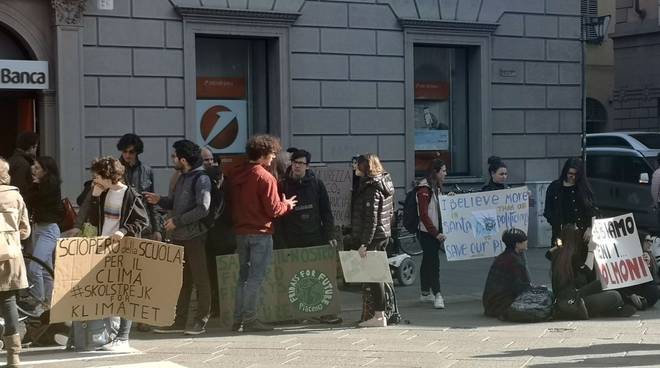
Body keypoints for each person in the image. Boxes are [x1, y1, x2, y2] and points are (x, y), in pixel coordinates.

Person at [227, 134, 297, 332]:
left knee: (243, 278)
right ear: (263, 154)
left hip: (241, 232)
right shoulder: (265, 177)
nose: (274, 157)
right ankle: (250, 319)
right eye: (272, 153)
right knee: (255, 278)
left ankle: (237, 319)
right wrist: (287, 204)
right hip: (260, 232)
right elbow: (274, 210)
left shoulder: (235, 174)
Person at [147, 140, 213, 335]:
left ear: (183, 159)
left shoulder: (201, 179)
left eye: (174, 156)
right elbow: (176, 203)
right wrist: (160, 200)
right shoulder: (183, 176)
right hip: (180, 237)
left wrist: (177, 221)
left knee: (201, 280)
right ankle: (179, 320)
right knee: (182, 281)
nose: (173, 159)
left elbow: (203, 208)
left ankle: (201, 320)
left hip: (195, 237)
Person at [87, 156, 150, 351]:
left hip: (123, 249)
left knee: (124, 292)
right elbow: (93, 220)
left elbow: (142, 221)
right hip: (104, 247)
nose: (94, 179)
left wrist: (123, 230)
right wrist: (95, 198)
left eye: (97, 176)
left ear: (108, 176)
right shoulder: (102, 193)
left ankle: (123, 337)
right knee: (108, 291)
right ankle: (111, 335)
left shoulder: (130, 195)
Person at [277, 149, 340, 324]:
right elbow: (279, 217)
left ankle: (325, 312)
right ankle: (299, 313)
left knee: (318, 276)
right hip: (292, 240)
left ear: (307, 166)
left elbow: (326, 212)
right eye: (295, 162)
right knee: (296, 279)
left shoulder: (317, 184)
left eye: (301, 163)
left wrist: (330, 234)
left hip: (315, 237)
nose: (297, 166)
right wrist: (281, 241)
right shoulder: (283, 185)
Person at [350, 153, 394, 327]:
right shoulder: (384, 182)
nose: (355, 168)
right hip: (383, 234)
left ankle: (379, 315)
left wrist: (365, 243)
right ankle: (381, 314)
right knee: (378, 275)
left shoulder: (372, 188)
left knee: (375, 276)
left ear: (366, 167)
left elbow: (371, 218)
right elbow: (389, 212)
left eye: (357, 165)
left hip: (374, 237)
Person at [551, 224, 633, 319]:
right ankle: (612, 308)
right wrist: (591, 250)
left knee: (603, 284)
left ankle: (614, 307)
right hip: (575, 301)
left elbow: (548, 253)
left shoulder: (557, 254)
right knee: (616, 296)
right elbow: (588, 270)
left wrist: (560, 245)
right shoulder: (574, 257)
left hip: (567, 298)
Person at [0, 157, 31, 366]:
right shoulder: (15, 196)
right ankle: (14, 356)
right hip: (9, 256)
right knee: (9, 302)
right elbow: (25, 230)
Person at [25, 156, 63, 310]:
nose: (34, 169)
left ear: (46, 170)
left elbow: (33, 200)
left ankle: (39, 301)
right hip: (40, 228)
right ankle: (49, 302)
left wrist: (35, 185)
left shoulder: (50, 185)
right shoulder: (43, 184)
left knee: (35, 267)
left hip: (48, 230)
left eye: (38, 167)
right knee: (46, 271)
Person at [543, 158, 597, 253]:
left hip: (580, 232)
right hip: (560, 233)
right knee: (559, 256)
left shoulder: (583, 188)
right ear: (565, 172)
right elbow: (548, 210)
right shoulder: (555, 187)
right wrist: (555, 222)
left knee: (578, 259)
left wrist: (589, 228)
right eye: (570, 174)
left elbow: (592, 210)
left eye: (575, 174)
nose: (572, 177)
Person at [117, 134, 163, 241]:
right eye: (124, 151)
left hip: (144, 226)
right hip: (122, 226)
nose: (127, 155)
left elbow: (152, 201)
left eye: (131, 152)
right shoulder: (115, 169)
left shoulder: (147, 171)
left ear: (137, 152)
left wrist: (157, 229)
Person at [416, 159, 448, 309]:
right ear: (435, 172)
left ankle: (424, 292)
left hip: (432, 232)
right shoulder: (425, 189)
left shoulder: (436, 188)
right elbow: (423, 215)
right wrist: (436, 233)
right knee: (433, 262)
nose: (445, 173)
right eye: (443, 170)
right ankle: (438, 294)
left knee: (428, 261)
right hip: (427, 233)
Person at [482, 228, 531, 319]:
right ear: (517, 244)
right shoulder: (514, 261)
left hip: (491, 303)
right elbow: (522, 287)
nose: (526, 242)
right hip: (501, 305)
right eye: (524, 240)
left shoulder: (504, 256)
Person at [619, 230, 659, 310]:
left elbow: (653, 280)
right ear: (639, 241)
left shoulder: (649, 256)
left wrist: (648, 265)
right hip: (628, 289)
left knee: (654, 290)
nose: (650, 243)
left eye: (651, 241)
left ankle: (637, 302)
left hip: (640, 289)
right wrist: (631, 295)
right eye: (647, 240)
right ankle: (631, 301)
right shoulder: (627, 254)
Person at [8, 132, 39, 198]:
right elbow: (19, 190)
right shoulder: (23, 164)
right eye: (36, 147)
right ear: (31, 147)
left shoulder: (12, 160)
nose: (36, 150)